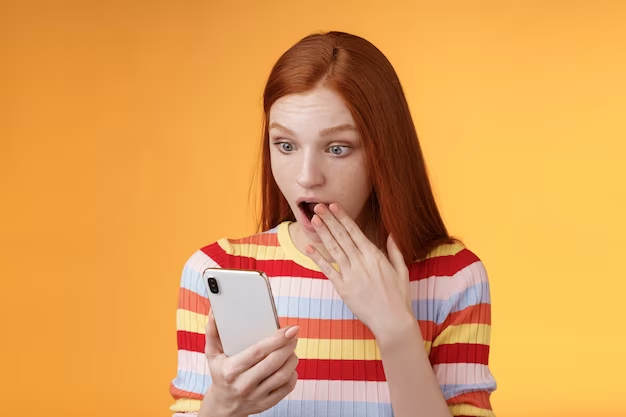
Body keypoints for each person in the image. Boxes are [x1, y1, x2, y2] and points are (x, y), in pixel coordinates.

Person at [169, 31, 497, 417]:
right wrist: (221, 407)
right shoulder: (216, 269)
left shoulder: (453, 278)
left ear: (384, 152)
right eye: (285, 145)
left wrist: (397, 333)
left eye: (337, 148)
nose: (307, 177)